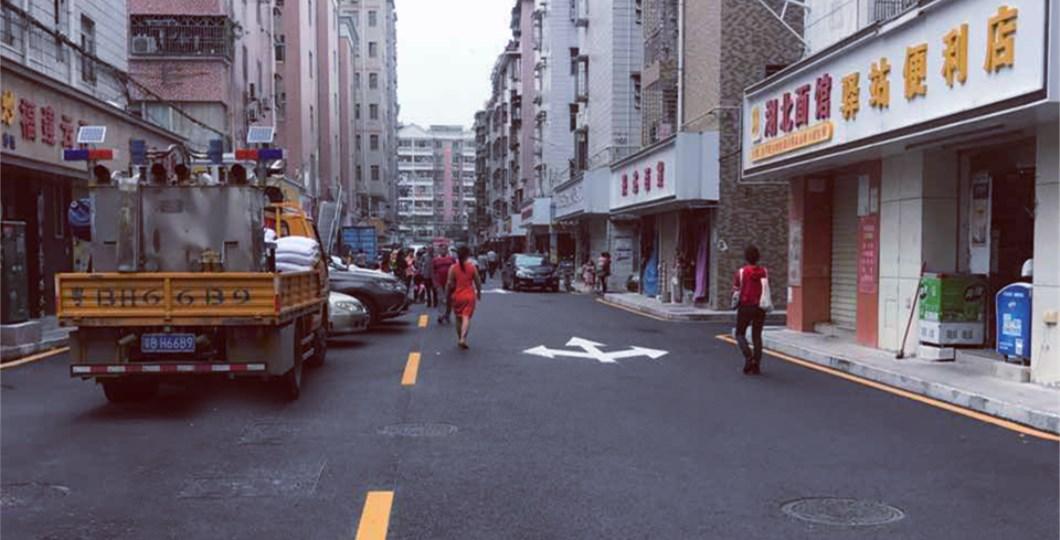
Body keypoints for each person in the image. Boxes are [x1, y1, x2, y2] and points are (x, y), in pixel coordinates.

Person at [733, 245, 768, 375]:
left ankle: (748, 356)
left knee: (740, 333)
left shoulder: (741, 272)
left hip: (745, 306)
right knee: (757, 335)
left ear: (746, 257)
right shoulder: (764, 271)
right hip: (760, 306)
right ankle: (756, 364)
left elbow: (736, 290)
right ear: (758, 257)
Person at [447, 245, 482, 349]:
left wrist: (447, 295)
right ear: (467, 255)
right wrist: (479, 293)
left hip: (457, 296)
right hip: (469, 296)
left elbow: (449, 283)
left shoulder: (453, 268)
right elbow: (478, 282)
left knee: (458, 318)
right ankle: (463, 338)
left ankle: (460, 338)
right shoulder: (472, 267)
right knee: (466, 317)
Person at [433, 248, 456, 324]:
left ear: (446, 251)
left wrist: (455, 281)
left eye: (444, 249)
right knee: (440, 299)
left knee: (449, 299)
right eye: (441, 249)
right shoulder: (435, 260)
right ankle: (441, 315)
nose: (443, 251)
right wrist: (434, 282)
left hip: (449, 282)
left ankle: (447, 315)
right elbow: (433, 271)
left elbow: (456, 269)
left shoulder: (451, 259)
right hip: (439, 282)